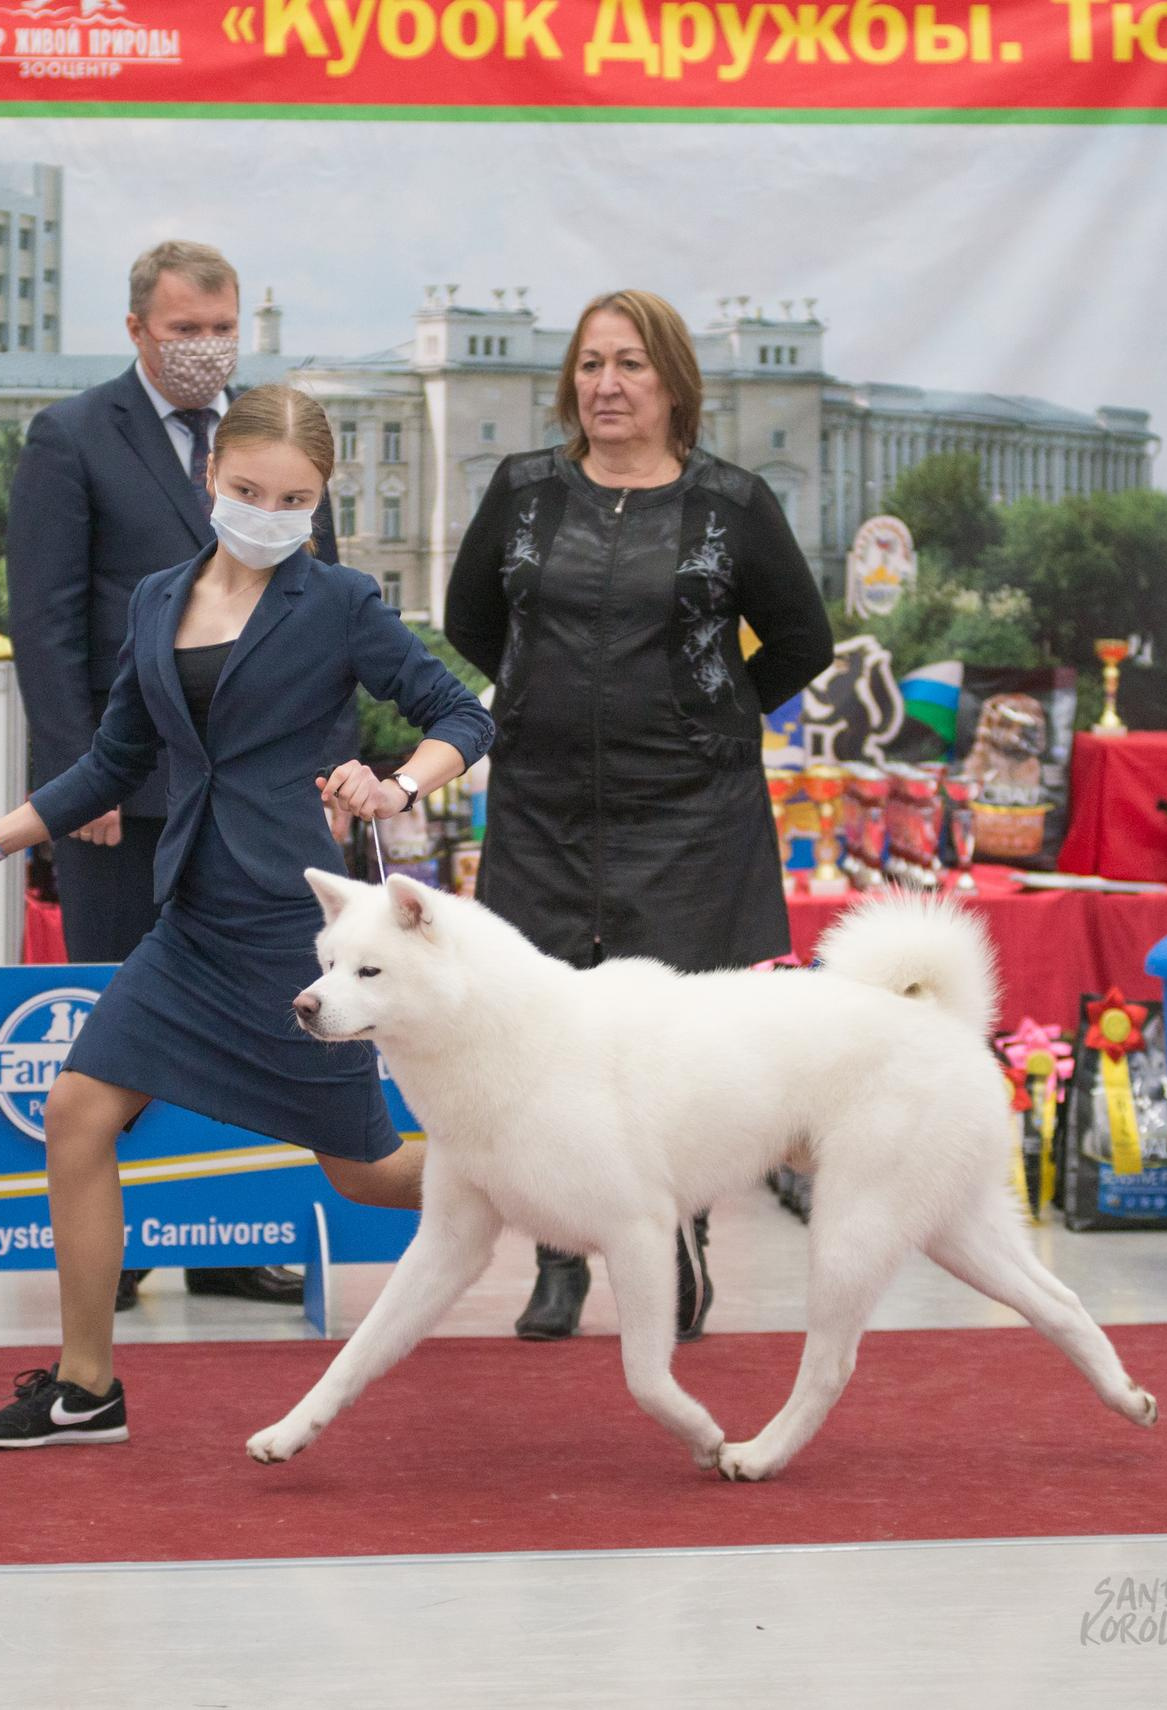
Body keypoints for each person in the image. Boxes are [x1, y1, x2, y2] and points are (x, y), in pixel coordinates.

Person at [0, 385, 494, 1448]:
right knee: (76, 1112)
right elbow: (113, 762)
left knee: (368, 1176)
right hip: (188, 921)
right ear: (209, 476)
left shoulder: (339, 602)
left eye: (295, 499)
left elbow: (460, 713)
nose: (268, 513)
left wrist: (397, 784)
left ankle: (548, 1184)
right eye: (249, 490)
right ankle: (86, 1389)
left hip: (295, 932)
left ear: (321, 502)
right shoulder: (155, 599)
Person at [442, 289, 836, 1342]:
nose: (606, 385)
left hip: (690, 813)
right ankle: (557, 1259)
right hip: (542, 803)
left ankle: (677, 1243)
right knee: (543, 1034)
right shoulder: (523, 490)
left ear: (672, 383)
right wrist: (539, 694)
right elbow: (470, 620)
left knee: (674, 1046)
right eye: (589, 365)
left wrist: (714, 710)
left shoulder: (733, 502)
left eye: (629, 365)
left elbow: (802, 639)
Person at [9, 238, 337, 1311]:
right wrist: (80, 783)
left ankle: (229, 1235)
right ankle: (119, 1248)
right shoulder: (70, 438)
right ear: (137, 330)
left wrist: (331, 770)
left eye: (221, 328)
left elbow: (325, 616)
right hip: (127, 796)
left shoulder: (277, 438)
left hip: (257, 805)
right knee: (122, 1023)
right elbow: (45, 623)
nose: (207, 347)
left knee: (255, 1018)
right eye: (185, 329)